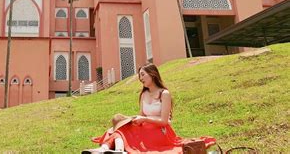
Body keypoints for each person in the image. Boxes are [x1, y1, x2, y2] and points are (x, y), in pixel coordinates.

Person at [85, 64, 216, 153]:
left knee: (123, 131)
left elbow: (164, 121)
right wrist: (135, 119)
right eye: (139, 76)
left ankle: (116, 150)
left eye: (143, 75)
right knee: (118, 127)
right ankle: (107, 149)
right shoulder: (144, 94)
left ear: (152, 74)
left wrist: (144, 119)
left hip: (161, 130)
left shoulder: (164, 94)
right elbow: (142, 114)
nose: (140, 78)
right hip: (146, 127)